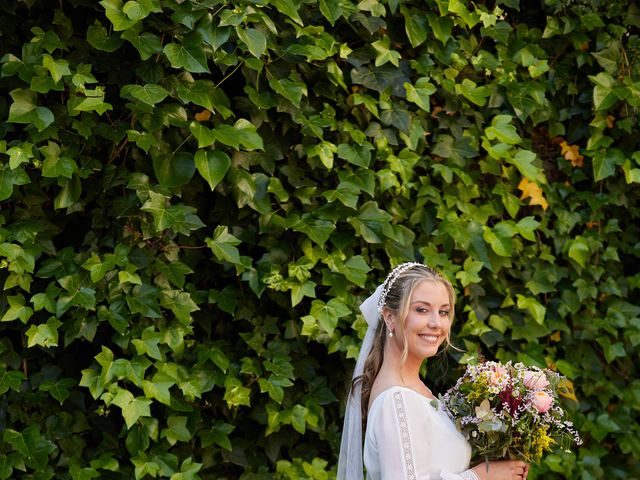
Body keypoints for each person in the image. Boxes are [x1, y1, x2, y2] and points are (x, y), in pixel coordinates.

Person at [337, 262, 529, 480]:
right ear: (390, 317)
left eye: (444, 312)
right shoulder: (396, 400)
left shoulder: (415, 390)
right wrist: (481, 477)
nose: (436, 323)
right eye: (422, 310)